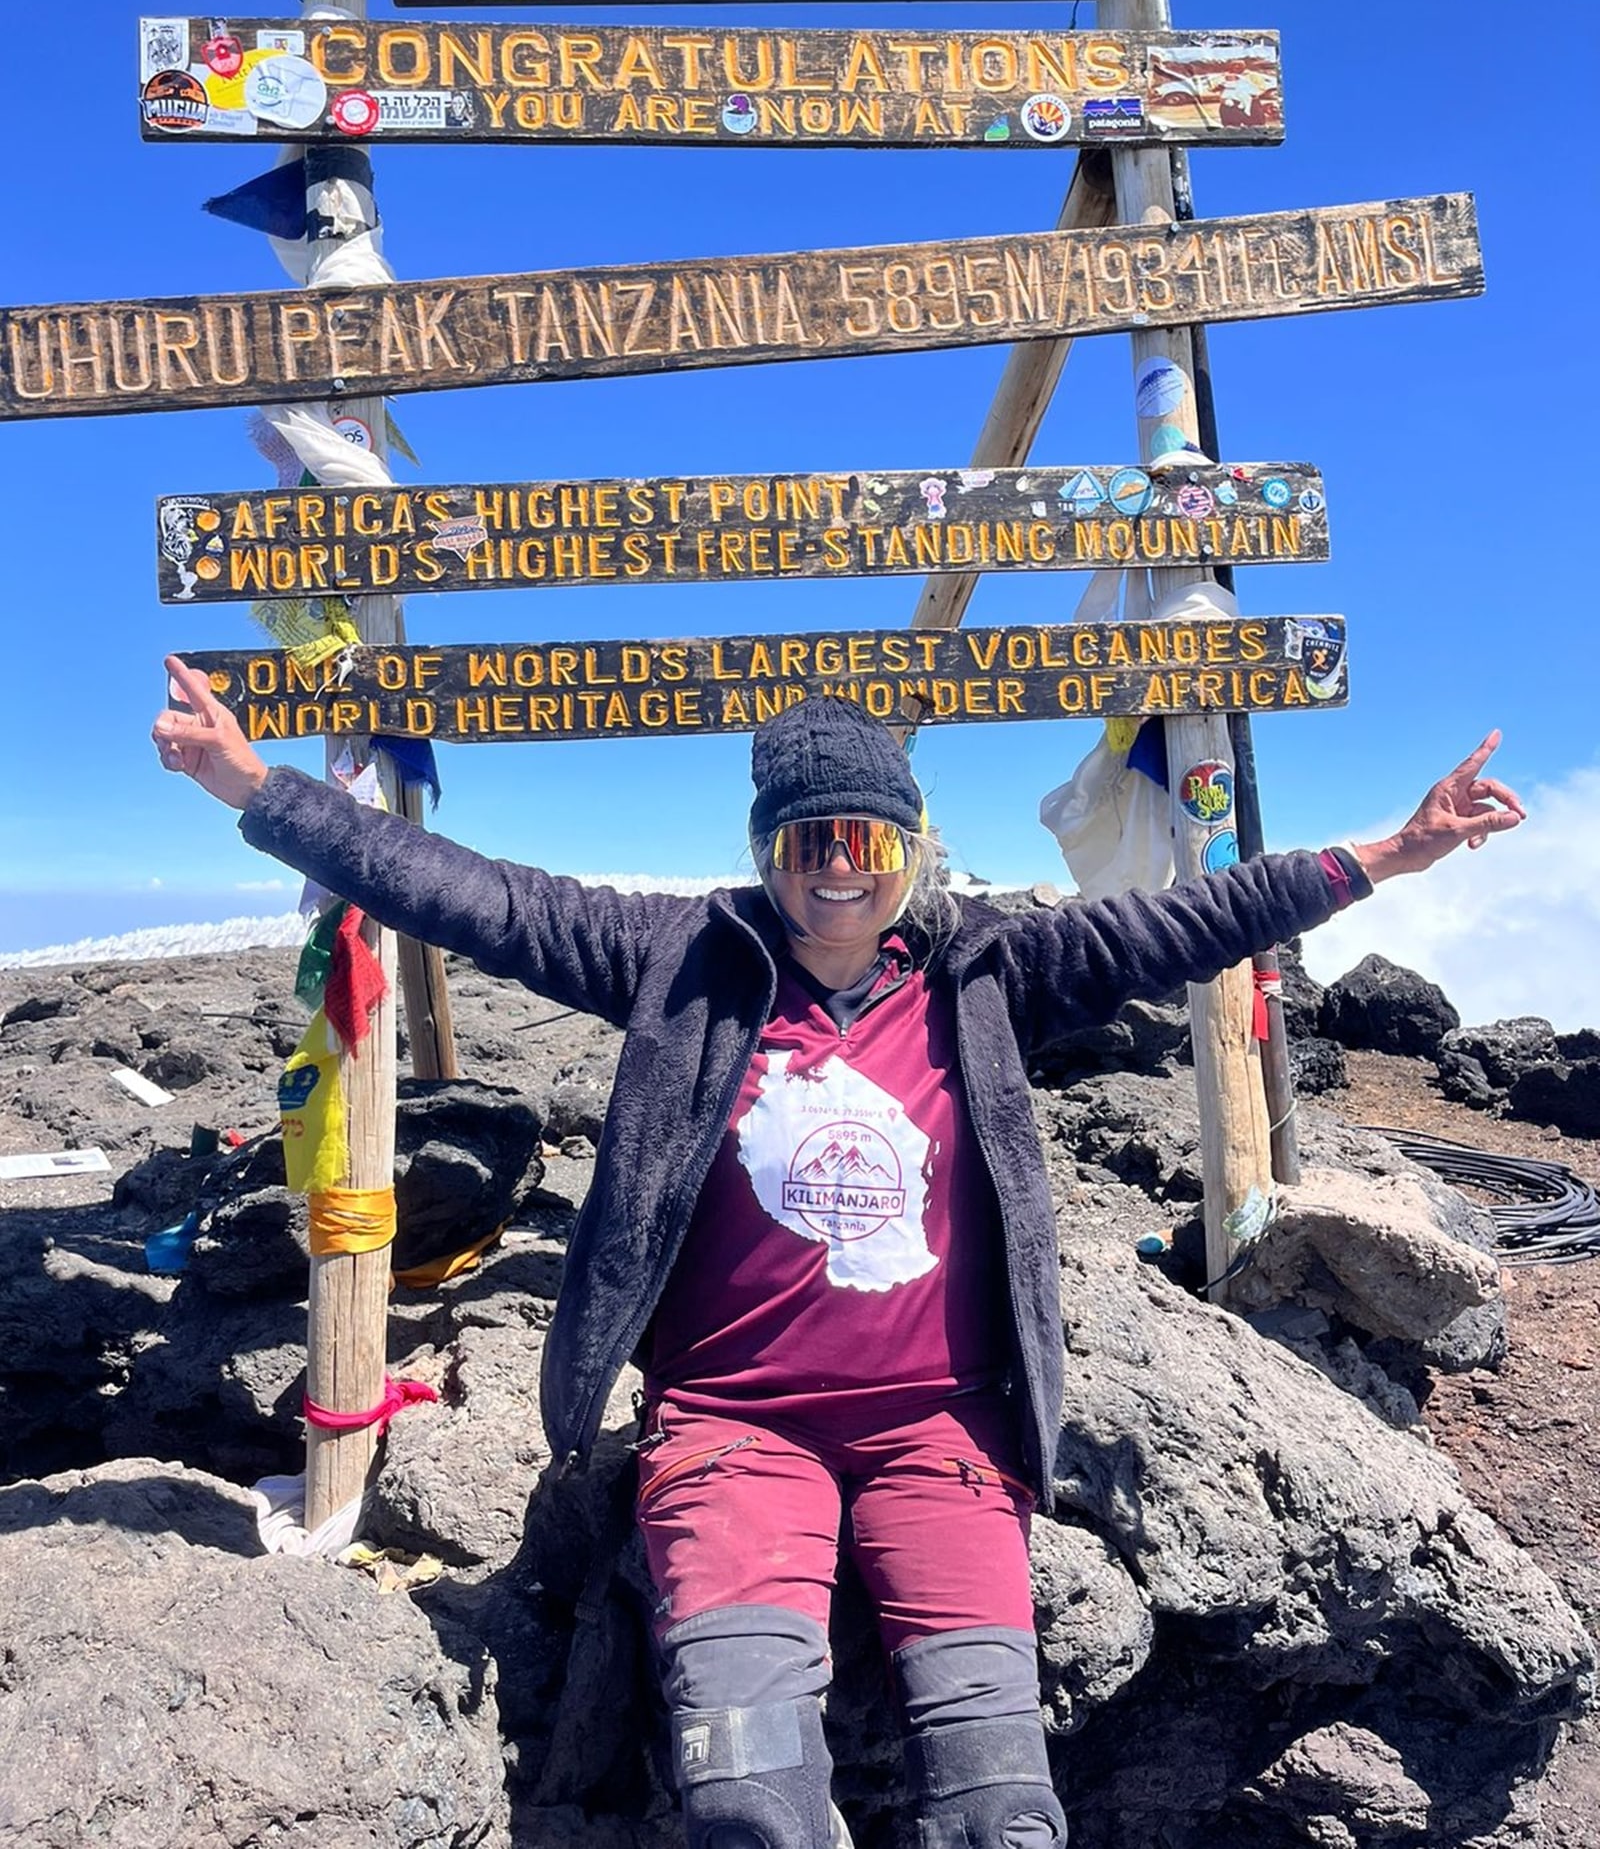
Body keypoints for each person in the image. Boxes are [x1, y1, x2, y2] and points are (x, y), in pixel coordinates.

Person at [152, 659, 1523, 1849]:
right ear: (767, 850)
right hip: (730, 1434)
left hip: (945, 1436)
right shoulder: (676, 955)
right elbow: (472, 894)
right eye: (808, 837)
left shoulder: (988, 970)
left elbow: (1187, 921)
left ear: (910, 844)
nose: (838, 862)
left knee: (1002, 1809)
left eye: (866, 833)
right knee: (747, 1797)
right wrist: (255, 788)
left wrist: (1385, 857)